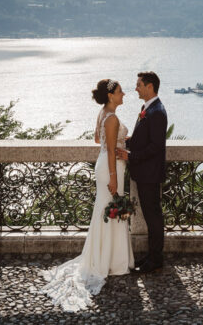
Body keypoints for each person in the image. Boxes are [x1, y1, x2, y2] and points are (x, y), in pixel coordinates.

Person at [41, 79, 134, 311]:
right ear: (111, 95)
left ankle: (104, 258)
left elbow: (98, 139)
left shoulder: (102, 113)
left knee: (105, 211)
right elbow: (112, 149)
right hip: (110, 167)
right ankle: (111, 262)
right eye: (121, 91)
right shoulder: (111, 118)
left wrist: (118, 140)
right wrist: (114, 176)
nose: (124, 94)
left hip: (102, 163)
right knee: (111, 212)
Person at [116, 71, 167, 273]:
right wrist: (128, 142)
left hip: (150, 174)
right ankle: (152, 256)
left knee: (154, 217)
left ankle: (156, 260)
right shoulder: (148, 108)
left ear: (150, 86)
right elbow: (144, 139)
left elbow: (156, 146)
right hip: (145, 173)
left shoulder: (157, 112)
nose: (135, 88)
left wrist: (131, 157)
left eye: (139, 84)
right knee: (150, 216)